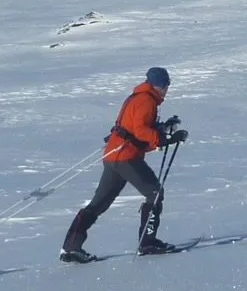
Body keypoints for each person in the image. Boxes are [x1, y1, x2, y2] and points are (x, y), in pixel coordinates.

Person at [61, 67, 188, 261]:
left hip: (114, 156)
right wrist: (164, 139)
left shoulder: (137, 98)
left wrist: (163, 130)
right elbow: (140, 131)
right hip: (126, 157)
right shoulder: (147, 100)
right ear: (161, 85)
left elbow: (135, 129)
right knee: (154, 193)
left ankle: (71, 247)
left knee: (99, 203)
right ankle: (147, 242)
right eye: (166, 85)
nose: (166, 90)